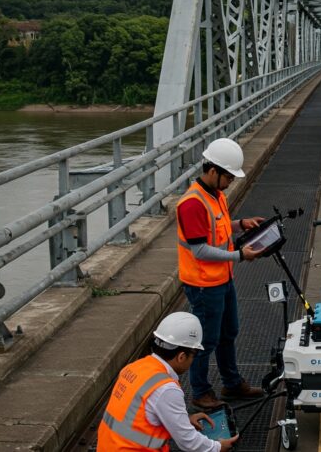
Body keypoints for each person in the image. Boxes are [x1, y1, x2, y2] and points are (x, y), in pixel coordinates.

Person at [176, 138, 265, 410]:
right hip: (203, 284)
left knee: (229, 332)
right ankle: (200, 391)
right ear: (212, 170)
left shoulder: (217, 195)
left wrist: (241, 224)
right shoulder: (192, 204)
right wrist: (239, 256)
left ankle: (231, 382)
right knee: (206, 340)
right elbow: (200, 250)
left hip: (223, 280)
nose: (230, 181)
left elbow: (220, 229)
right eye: (228, 176)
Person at [97, 312, 240, 451]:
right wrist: (218, 447)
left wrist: (184, 420)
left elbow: (139, 416)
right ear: (182, 356)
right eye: (193, 355)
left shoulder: (134, 368)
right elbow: (188, 442)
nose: (192, 360)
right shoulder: (166, 389)